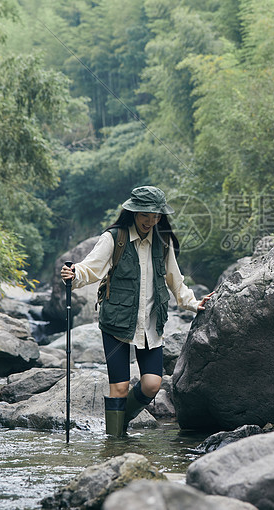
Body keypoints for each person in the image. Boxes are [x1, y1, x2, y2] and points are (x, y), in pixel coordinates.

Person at [60, 186, 212, 437]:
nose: (151, 221)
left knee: (152, 384)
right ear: (133, 212)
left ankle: (121, 424)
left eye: (156, 216)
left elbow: (175, 280)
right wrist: (74, 273)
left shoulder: (163, 241)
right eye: (145, 215)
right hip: (117, 323)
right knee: (118, 388)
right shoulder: (114, 238)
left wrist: (193, 304)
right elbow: (91, 268)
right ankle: (115, 443)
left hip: (151, 322)